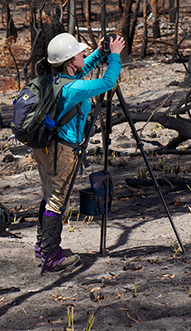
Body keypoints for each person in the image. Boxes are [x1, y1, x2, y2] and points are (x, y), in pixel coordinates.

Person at [34, 32, 125, 271]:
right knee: (56, 201)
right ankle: (51, 257)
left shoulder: (58, 81)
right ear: (69, 61)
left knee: (49, 195)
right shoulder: (73, 88)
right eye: (79, 53)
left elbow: (82, 73)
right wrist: (115, 57)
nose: (82, 55)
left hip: (45, 148)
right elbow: (107, 83)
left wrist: (100, 53)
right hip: (61, 151)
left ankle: (42, 246)